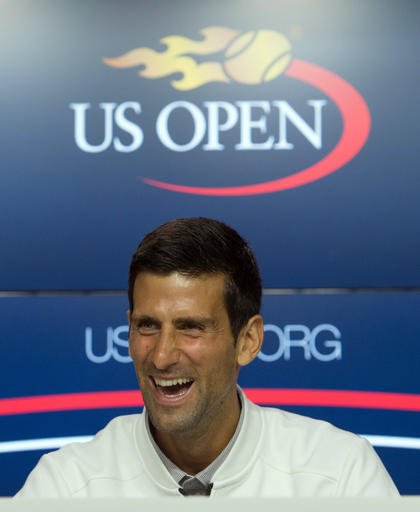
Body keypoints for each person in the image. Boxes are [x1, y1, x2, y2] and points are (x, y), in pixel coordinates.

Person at [16, 217, 398, 497]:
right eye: (148, 326)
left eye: (191, 328)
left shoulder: (338, 474)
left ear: (248, 340)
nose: (163, 355)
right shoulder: (65, 486)